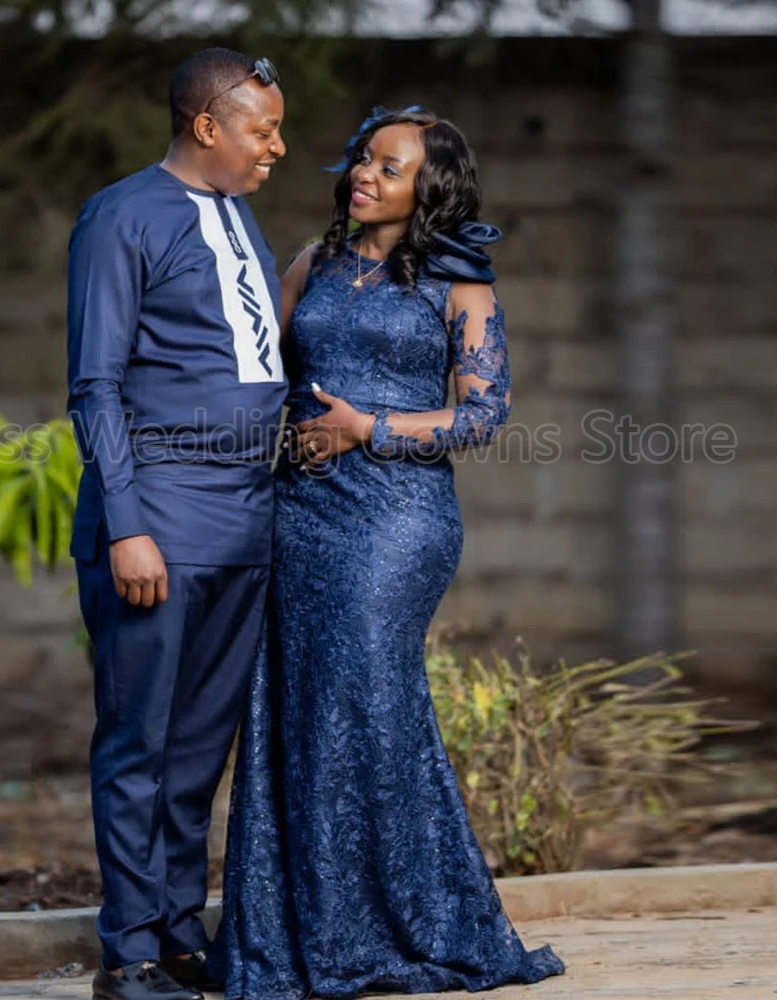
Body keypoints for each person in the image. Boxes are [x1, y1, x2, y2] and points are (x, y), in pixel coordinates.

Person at [209, 106, 566, 997]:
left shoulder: (463, 287)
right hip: (300, 516)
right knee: (296, 707)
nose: (363, 175)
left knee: (366, 702)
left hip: (396, 524)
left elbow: (485, 414)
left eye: (389, 167)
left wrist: (365, 427)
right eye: (363, 159)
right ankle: (306, 933)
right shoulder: (311, 263)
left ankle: (398, 926)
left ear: (429, 188)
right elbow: (256, 375)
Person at [66, 47, 287, 1000]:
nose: (277, 146)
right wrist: (127, 525)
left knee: (200, 747)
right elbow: (96, 381)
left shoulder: (242, 218)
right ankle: (129, 954)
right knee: (138, 741)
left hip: (246, 521)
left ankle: (175, 928)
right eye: (262, 129)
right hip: (158, 517)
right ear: (208, 126)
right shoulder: (122, 215)